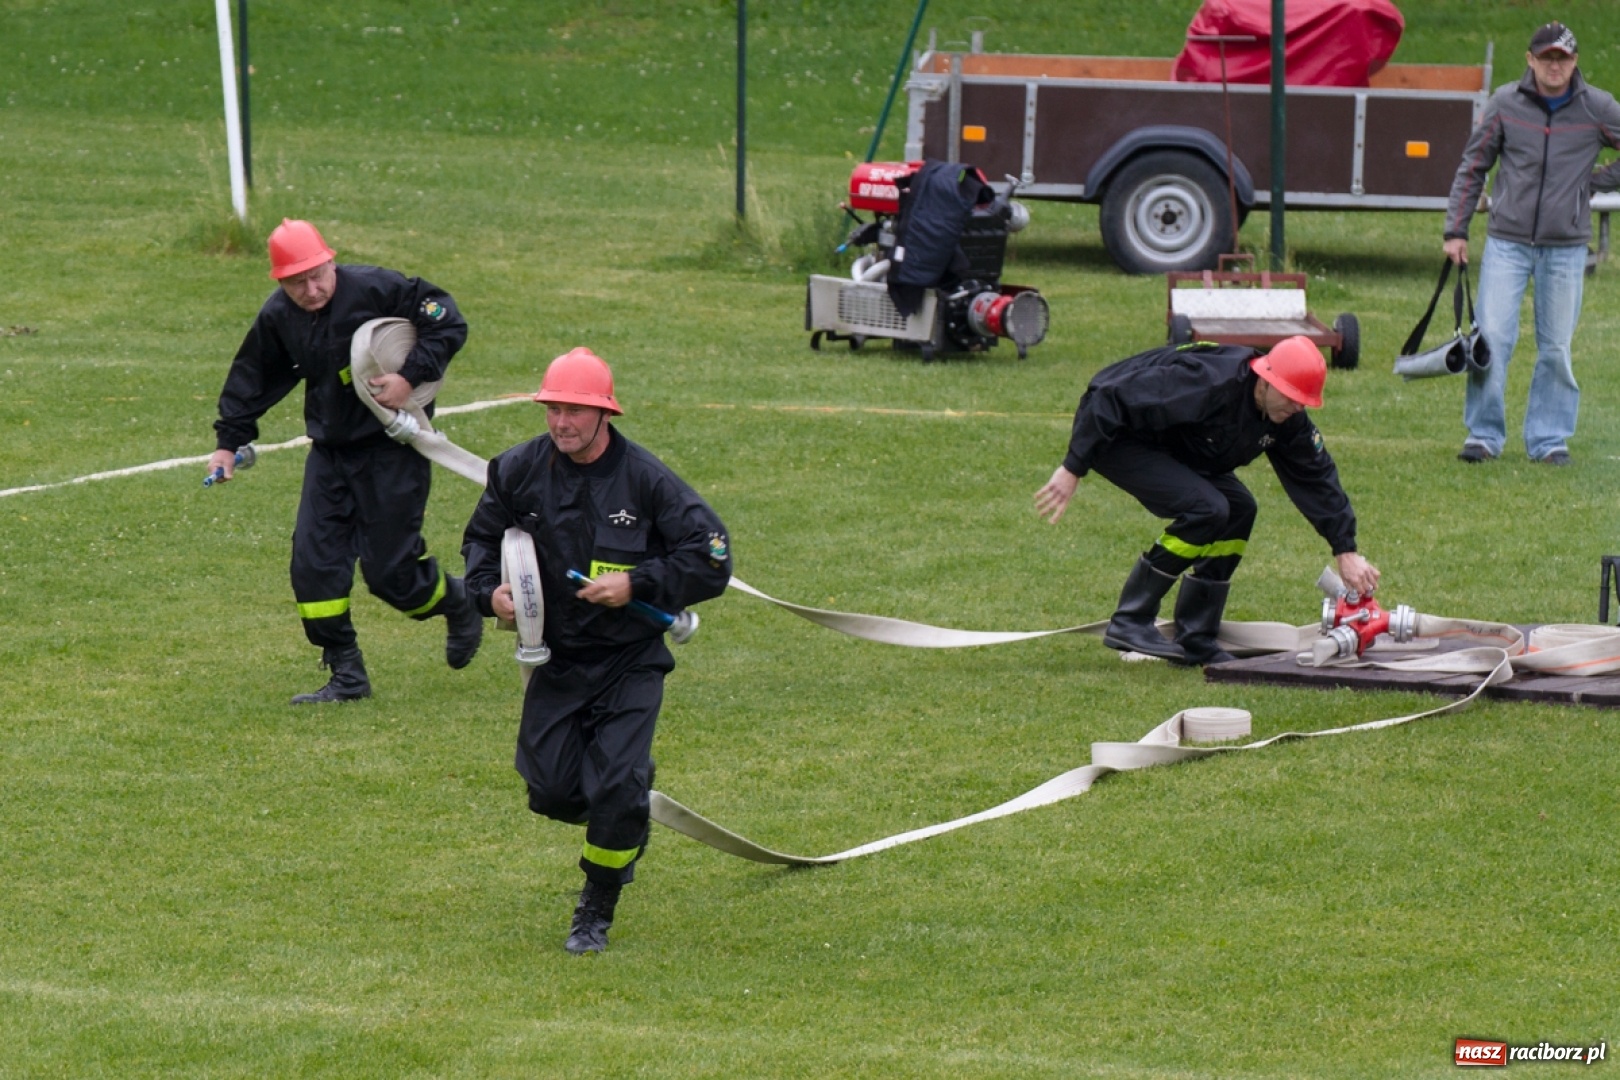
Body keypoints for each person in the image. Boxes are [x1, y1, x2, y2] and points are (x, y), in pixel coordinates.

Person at [460, 348, 732, 955]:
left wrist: (636, 584)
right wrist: (491, 594)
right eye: (554, 409)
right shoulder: (517, 471)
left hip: (629, 662)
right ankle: (628, 803)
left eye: (576, 411)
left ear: (605, 413)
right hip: (555, 661)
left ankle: (595, 909)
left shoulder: (647, 480)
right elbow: (481, 538)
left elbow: (712, 559)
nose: (562, 423)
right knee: (550, 791)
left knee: (612, 788)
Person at [207, 219, 484, 704]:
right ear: (279, 281)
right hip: (330, 456)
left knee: (391, 575)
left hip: (393, 451)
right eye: (296, 281)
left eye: (318, 275)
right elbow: (253, 373)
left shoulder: (380, 289)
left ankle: (458, 602)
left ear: (331, 262)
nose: (311, 289)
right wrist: (229, 442)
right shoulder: (280, 316)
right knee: (312, 568)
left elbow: (446, 321)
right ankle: (346, 674)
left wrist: (409, 376)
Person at [1033, 337, 1379, 666]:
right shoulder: (1209, 382)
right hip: (1116, 434)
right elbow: (1109, 396)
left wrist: (1344, 549)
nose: (1296, 407)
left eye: (1303, 401)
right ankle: (1131, 620)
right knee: (1207, 509)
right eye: (1290, 396)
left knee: (1240, 510)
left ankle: (1196, 636)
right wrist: (1073, 467)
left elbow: (1316, 476)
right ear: (1264, 379)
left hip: (1175, 444)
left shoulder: (1286, 417)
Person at [1443, 21, 1620, 466]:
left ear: (1575, 62)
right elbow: (1473, 166)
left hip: (1565, 247)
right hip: (1507, 242)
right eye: (1546, 57)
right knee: (1493, 338)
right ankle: (1483, 436)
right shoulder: (1505, 102)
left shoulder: (1597, 106)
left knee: (1556, 346)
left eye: (1562, 58)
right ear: (1530, 60)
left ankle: (1549, 440)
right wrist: (1456, 230)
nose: (1554, 66)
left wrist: (1594, 183)